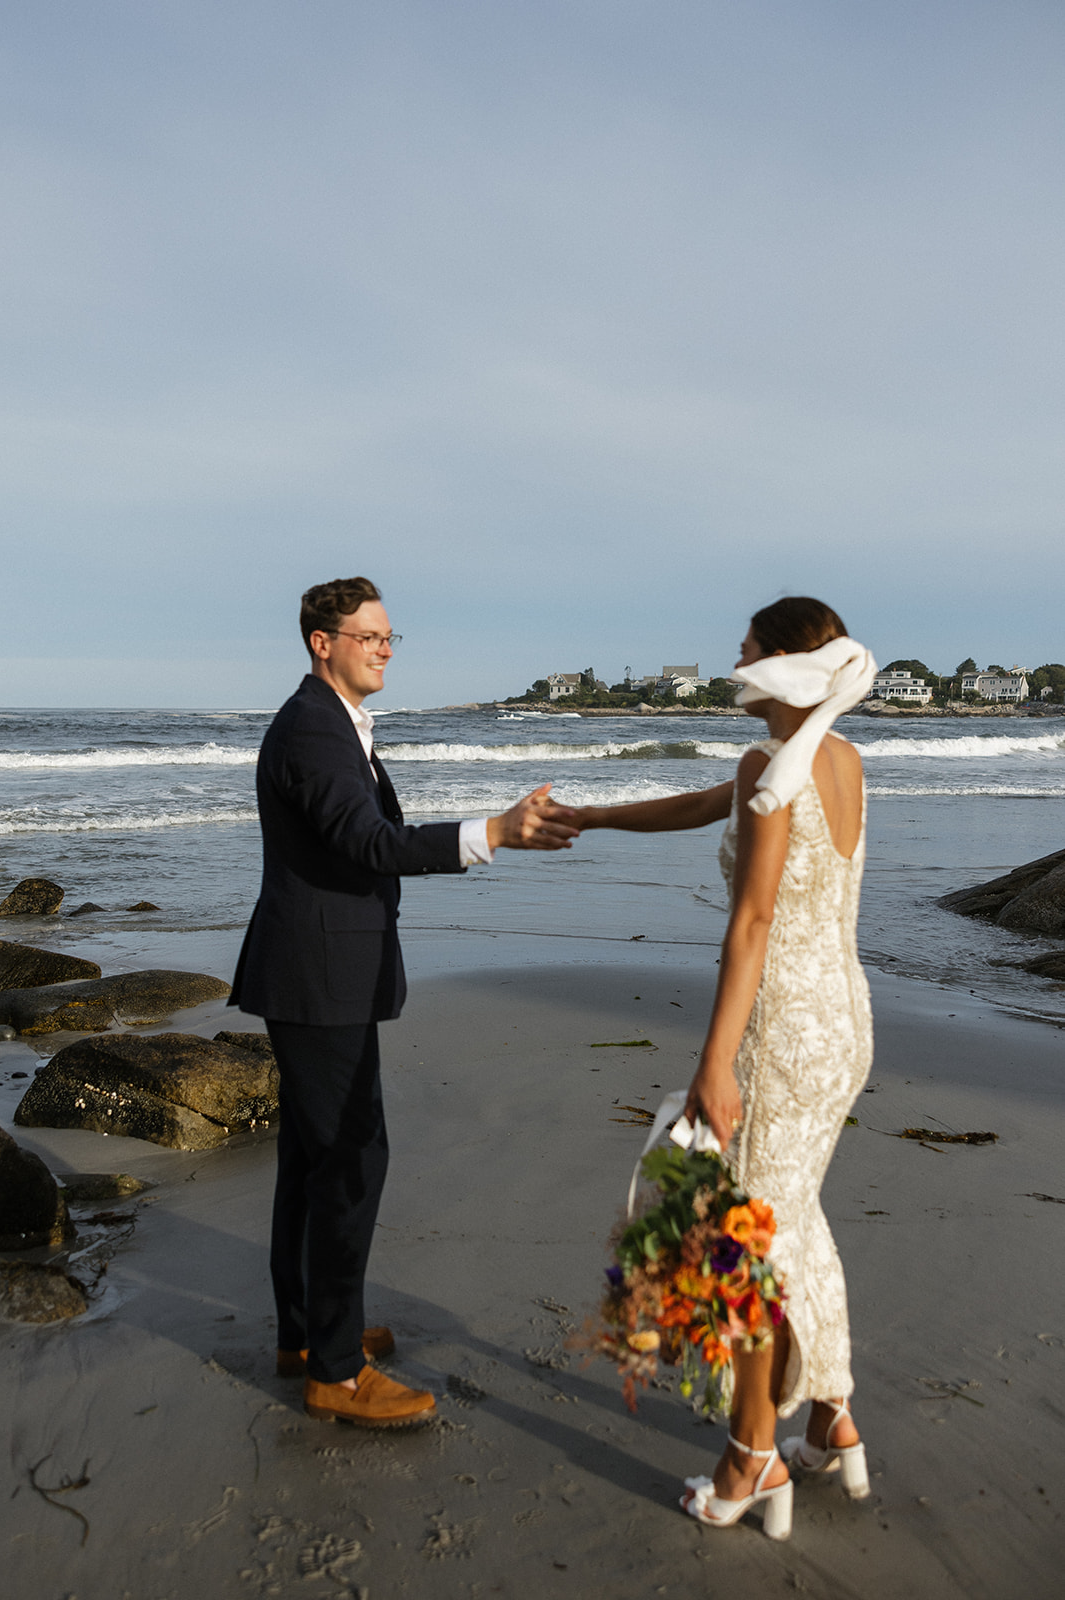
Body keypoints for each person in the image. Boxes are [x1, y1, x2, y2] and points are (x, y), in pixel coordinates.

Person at [230, 576, 577, 1429]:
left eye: (390, 638)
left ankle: (308, 1335)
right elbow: (369, 843)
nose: (386, 649)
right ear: (324, 642)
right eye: (370, 636)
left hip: (323, 971)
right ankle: (336, 1373)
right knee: (352, 1158)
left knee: (315, 1161)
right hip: (316, 977)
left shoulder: (338, 723)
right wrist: (490, 834)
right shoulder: (314, 725)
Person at [570, 597, 876, 1539]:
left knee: (736, 1241)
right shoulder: (833, 759)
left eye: (744, 653)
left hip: (779, 1036)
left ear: (781, 664)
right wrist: (592, 815)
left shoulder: (768, 764)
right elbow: (708, 807)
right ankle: (832, 1414)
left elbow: (749, 924)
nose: (733, 666)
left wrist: (715, 1064)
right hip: (844, 1026)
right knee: (791, 1217)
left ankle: (752, 1454)